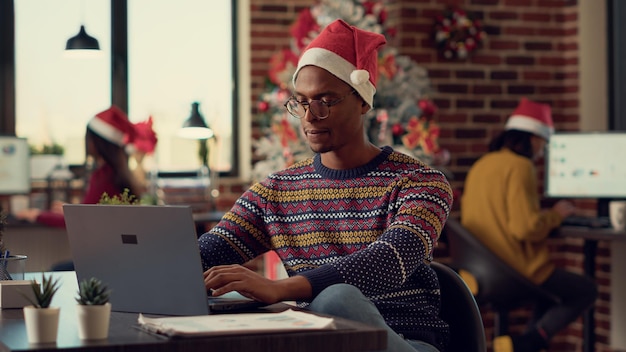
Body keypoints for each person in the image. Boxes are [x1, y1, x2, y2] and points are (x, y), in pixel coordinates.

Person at [198, 19, 453, 352]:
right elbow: (207, 254)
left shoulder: (420, 184)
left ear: (363, 101)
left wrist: (281, 288)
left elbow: (389, 260)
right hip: (318, 343)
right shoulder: (274, 192)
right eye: (301, 102)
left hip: (406, 342)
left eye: (325, 101)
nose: (308, 116)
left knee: (339, 297)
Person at [460, 98, 597, 352]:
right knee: (584, 289)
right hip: (514, 269)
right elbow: (525, 228)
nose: (542, 151)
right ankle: (525, 344)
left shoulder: (483, 164)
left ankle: (522, 345)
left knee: (548, 296)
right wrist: (555, 215)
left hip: (481, 267)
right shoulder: (521, 166)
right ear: (534, 138)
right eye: (543, 145)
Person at [16, 105, 157, 228]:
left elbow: (83, 220)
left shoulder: (104, 178)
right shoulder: (118, 175)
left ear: (96, 143)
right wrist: (72, 210)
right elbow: (93, 214)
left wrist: (38, 215)